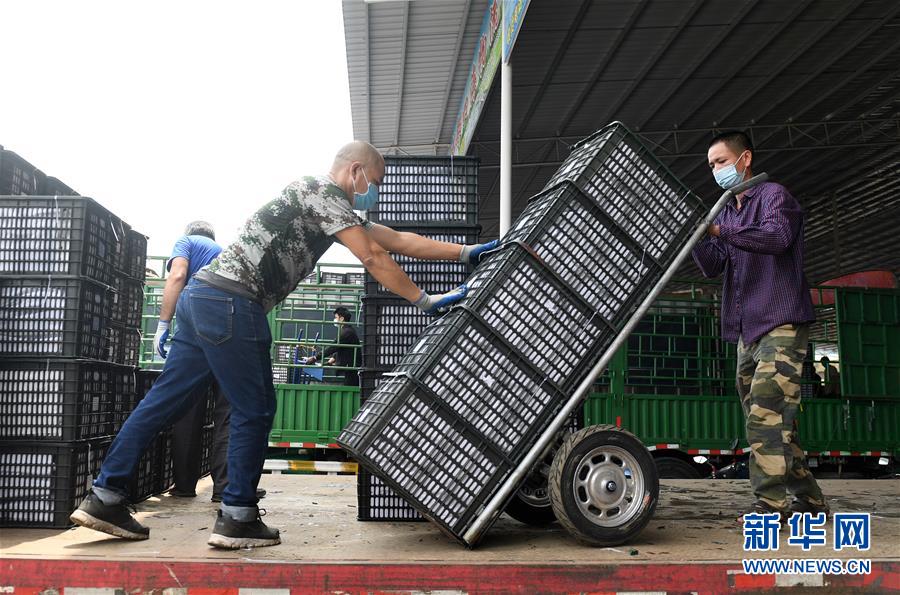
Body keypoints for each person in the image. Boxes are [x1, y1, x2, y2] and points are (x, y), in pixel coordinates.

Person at [70, 140, 498, 549]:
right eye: (375, 182)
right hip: (233, 302)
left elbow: (396, 240)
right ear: (355, 171)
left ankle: (106, 496)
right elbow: (372, 256)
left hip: (202, 298)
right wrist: (423, 299)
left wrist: (467, 253)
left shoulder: (323, 203)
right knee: (254, 409)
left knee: (163, 401)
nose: (375, 193)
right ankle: (238, 515)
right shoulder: (321, 192)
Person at [691, 130, 828, 523]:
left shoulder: (773, 197)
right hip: (746, 330)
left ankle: (770, 506)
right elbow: (713, 264)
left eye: (720, 162)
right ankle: (812, 500)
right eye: (711, 165)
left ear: (744, 158)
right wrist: (698, 235)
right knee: (773, 419)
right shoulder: (727, 211)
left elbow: (777, 237)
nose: (715, 170)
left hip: (780, 321)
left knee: (764, 416)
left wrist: (719, 230)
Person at [153, 222, 266, 503]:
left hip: (195, 333)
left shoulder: (185, 242)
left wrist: (163, 322)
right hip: (230, 335)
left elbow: (177, 275)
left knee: (187, 414)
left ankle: (184, 485)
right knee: (228, 416)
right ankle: (225, 487)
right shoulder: (226, 253)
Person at [303, 306, 360, 386]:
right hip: (349, 368)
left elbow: (333, 347)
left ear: (341, 319)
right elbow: (342, 347)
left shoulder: (346, 332)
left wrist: (315, 358)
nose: (335, 320)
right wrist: (334, 358)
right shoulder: (348, 331)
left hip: (350, 369)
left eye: (336, 317)